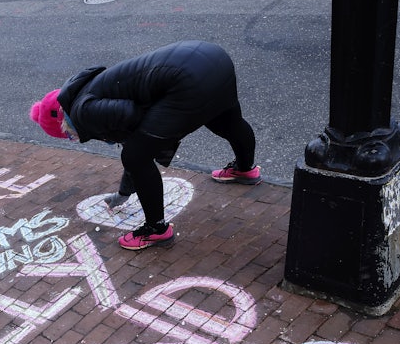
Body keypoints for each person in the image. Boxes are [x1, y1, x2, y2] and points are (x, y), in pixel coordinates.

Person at [30, 40, 260, 251]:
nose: (75, 140)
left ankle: (156, 229)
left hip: (186, 80)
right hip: (214, 58)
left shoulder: (84, 112)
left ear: (64, 126)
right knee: (226, 121)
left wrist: (129, 179)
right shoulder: (86, 89)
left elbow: (133, 124)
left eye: (69, 137)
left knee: (136, 157)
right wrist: (125, 189)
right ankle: (244, 168)